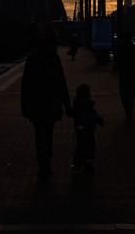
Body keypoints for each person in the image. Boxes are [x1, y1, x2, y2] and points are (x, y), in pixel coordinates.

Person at [20, 24, 72, 179]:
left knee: (42, 135)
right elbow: (61, 84)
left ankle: (43, 165)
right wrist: (67, 105)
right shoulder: (52, 60)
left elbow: (26, 85)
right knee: (46, 135)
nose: (54, 47)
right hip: (47, 105)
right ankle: (45, 165)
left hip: (39, 106)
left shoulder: (33, 59)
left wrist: (25, 106)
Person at [70, 83, 104, 172]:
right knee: (87, 147)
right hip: (87, 130)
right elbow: (92, 114)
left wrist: (98, 118)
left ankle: (81, 165)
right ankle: (85, 164)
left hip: (84, 130)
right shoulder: (87, 106)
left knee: (83, 147)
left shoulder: (79, 106)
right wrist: (98, 119)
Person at [112, 30, 135, 119]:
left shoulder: (123, 48)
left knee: (124, 93)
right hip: (131, 75)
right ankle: (129, 109)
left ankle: (128, 109)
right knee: (129, 94)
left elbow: (117, 60)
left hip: (125, 75)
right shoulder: (132, 48)